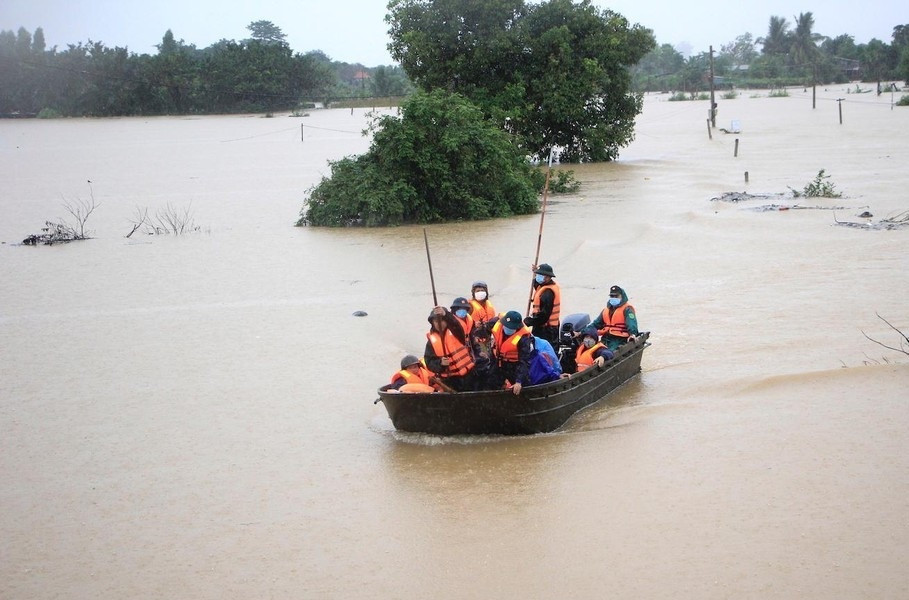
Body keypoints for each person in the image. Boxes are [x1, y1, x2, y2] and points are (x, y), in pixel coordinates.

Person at [423, 306, 476, 392]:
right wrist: (440, 363)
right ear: (432, 323)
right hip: (450, 381)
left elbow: (455, 324)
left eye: (442, 320)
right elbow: (429, 362)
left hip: (469, 376)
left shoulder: (456, 332)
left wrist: (446, 314)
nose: (439, 323)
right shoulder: (431, 342)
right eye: (436, 321)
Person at [491, 310, 535, 395]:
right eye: (506, 326)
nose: (507, 329)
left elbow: (524, 361)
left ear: (517, 327)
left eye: (510, 327)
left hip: (515, 365)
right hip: (499, 362)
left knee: (522, 388)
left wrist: (519, 381)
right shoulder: (498, 325)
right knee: (491, 382)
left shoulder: (523, 339)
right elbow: (486, 327)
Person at [589, 285, 639, 351]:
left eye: (616, 296)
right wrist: (583, 332)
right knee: (591, 351)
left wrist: (632, 334)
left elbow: (631, 323)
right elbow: (596, 324)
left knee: (608, 353)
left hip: (620, 340)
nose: (614, 298)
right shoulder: (606, 310)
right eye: (612, 296)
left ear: (622, 296)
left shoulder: (627, 309)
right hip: (606, 338)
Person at [524, 263, 561, 350]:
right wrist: (535, 271)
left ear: (547, 277)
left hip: (547, 329)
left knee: (545, 352)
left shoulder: (548, 293)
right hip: (543, 327)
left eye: (540, 275)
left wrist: (529, 321)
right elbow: (536, 284)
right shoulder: (543, 286)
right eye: (538, 275)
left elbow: (544, 316)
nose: (538, 277)